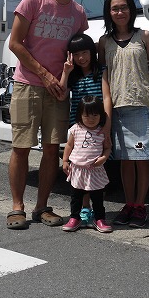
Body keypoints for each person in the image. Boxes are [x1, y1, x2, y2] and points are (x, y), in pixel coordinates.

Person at [6, 0, 88, 230]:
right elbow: (15, 44)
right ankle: (17, 207)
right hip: (28, 84)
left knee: (53, 149)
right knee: (22, 147)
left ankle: (42, 206)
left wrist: (65, 82)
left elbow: (79, 50)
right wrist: (44, 74)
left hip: (58, 91)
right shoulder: (33, 1)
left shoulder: (79, 13)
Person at [99, 0, 149, 228]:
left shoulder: (144, 36)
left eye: (124, 7)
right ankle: (128, 203)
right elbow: (104, 77)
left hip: (142, 105)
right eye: (115, 8)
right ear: (109, 13)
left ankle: (140, 205)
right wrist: (106, 112)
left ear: (131, 10)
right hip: (118, 107)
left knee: (142, 159)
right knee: (124, 160)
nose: (120, 12)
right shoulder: (104, 42)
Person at [58, 33, 112, 227]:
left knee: (95, 167)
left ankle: (95, 211)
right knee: (80, 166)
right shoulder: (73, 75)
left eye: (85, 52)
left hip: (98, 125)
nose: (82, 58)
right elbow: (62, 95)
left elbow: (106, 97)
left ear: (92, 52)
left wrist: (107, 125)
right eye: (76, 54)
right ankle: (84, 209)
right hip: (79, 126)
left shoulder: (101, 71)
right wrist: (65, 72)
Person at [61, 95, 112, 233]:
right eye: (87, 115)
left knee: (97, 197)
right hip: (77, 169)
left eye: (95, 115)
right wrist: (65, 161)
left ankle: (99, 218)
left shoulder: (102, 131)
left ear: (101, 115)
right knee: (76, 196)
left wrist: (104, 158)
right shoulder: (75, 129)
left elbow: (108, 148)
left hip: (95, 170)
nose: (91, 119)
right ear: (80, 115)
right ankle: (74, 218)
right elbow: (69, 145)